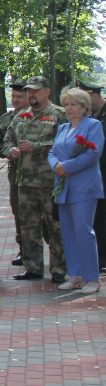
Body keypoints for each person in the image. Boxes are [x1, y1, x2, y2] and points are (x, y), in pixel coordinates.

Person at [2, 75, 67, 282]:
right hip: (25, 183)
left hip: (50, 183)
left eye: (35, 91)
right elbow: (5, 142)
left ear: (47, 92)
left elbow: (64, 145)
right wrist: (11, 150)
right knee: (28, 226)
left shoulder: (59, 115)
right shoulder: (20, 116)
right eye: (29, 91)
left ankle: (59, 268)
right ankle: (33, 267)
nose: (31, 95)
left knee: (55, 226)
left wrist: (36, 147)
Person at [48, 87, 104, 294]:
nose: (69, 109)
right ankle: (76, 274)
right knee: (69, 232)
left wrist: (66, 167)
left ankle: (92, 278)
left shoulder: (93, 125)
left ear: (84, 106)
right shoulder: (63, 128)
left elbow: (92, 154)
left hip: (84, 187)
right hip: (63, 187)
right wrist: (56, 166)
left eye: (74, 104)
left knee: (83, 231)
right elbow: (52, 151)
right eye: (66, 104)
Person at [0, 78, 30, 266]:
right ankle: (25, 249)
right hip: (17, 173)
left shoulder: (41, 115)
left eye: (19, 97)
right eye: (13, 96)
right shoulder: (7, 118)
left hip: (42, 173)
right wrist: (7, 152)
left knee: (47, 215)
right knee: (19, 211)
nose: (15, 100)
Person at [80, 79, 106, 274]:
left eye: (86, 98)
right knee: (97, 219)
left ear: (95, 96)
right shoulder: (92, 116)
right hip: (96, 175)